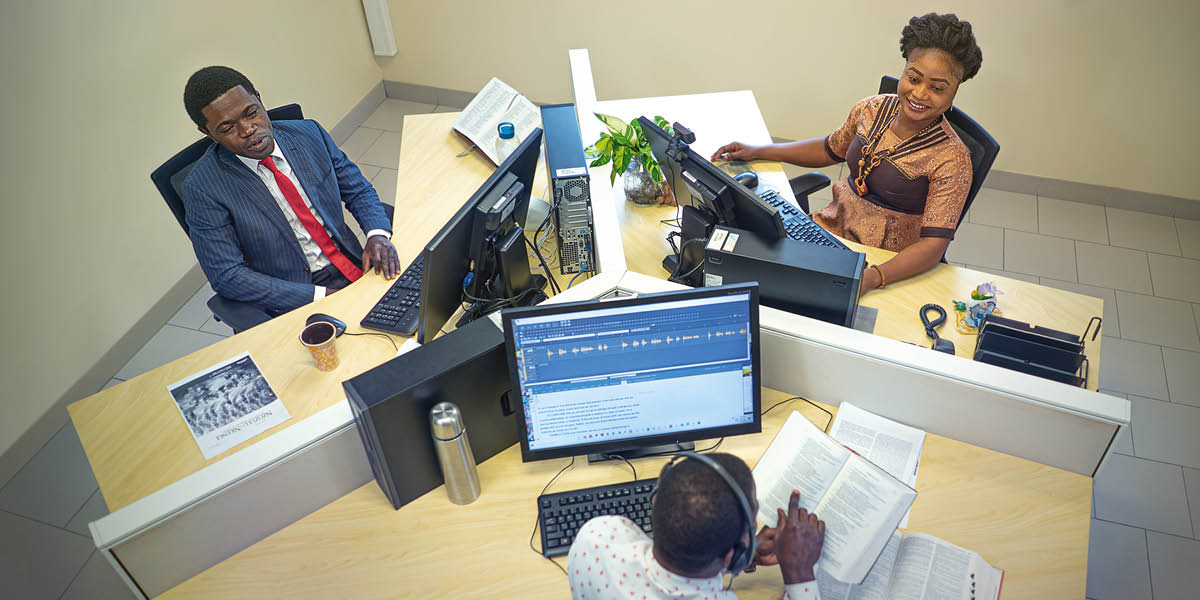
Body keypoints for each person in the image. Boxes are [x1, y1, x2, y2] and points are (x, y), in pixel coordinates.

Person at [712, 13, 983, 295]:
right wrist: (759, 150)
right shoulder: (872, 109)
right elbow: (829, 148)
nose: (920, 94)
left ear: (954, 91)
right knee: (745, 265)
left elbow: (933, 246)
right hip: (828, 231)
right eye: (913, 78)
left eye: (937, 88)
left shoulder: (953, 158)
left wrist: (873, 277)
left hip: (882, 261)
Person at [181, 66, 399, 322]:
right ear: (208, 134)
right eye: (228, 127)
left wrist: (377, 234)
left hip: (354, 263)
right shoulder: (202, 188)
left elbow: (358, 190)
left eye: (251, 113)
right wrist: (318, 296)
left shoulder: (309, 134)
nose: (248, 130)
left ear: (259, 99)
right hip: (292, 296)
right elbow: (227, 275)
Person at [568, 453, 826, 599]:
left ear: (656, 500)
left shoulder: (596, 537)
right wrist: (799, 573)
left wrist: (736, 553)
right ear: (732, 557)